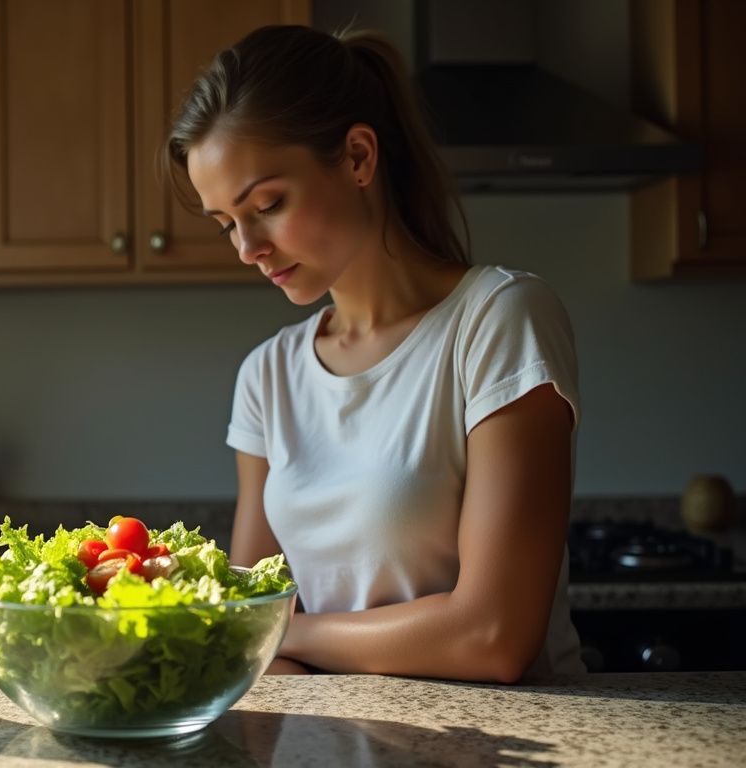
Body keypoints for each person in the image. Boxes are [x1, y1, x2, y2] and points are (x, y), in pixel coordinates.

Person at [165, 25, 585, 682]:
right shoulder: (267, 378)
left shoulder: (498, 320)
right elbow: (251, 647)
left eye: (267, 205)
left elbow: (495, 636)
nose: (247, 247)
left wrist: (288, 630)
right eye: (226, 224)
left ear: (359, 157)